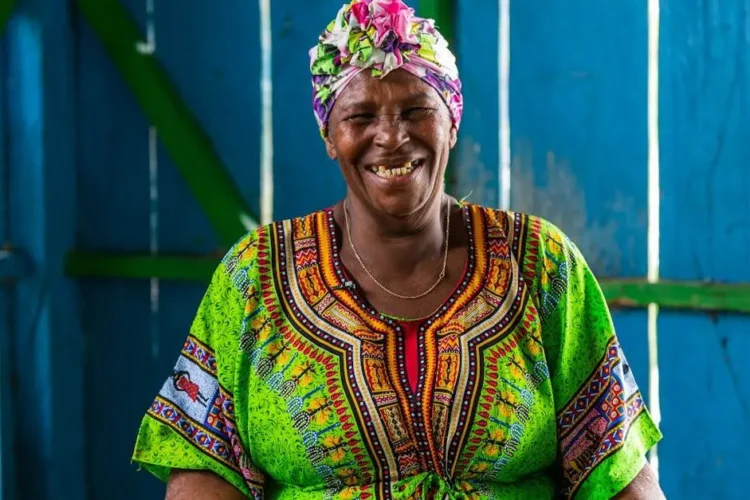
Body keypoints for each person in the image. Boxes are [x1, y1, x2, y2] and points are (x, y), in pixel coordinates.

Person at [132, 1, 664, 498]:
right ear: (329, 135)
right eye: (360, 116)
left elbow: (614, 465)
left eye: (416, 110)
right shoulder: (256, 276)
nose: (391, 136)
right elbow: (205, 471)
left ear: (451, 122)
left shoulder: (538, 264)